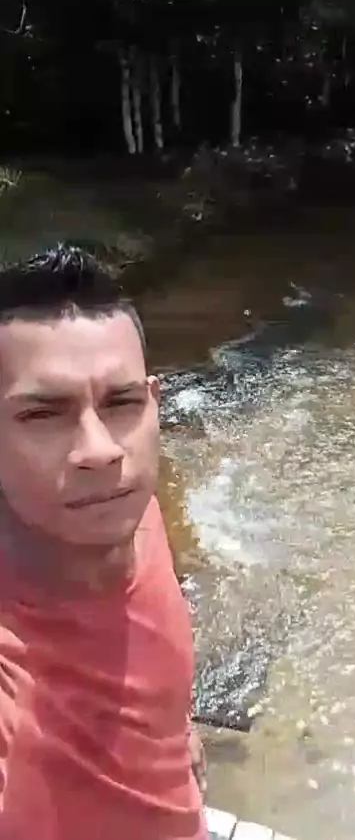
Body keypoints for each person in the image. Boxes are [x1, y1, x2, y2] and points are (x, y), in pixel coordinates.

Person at [0, 245, 207, 840]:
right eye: (43, 414)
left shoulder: (129, 507)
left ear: (154, 404)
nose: (101, 450)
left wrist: (178, 729)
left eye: (122, 403)